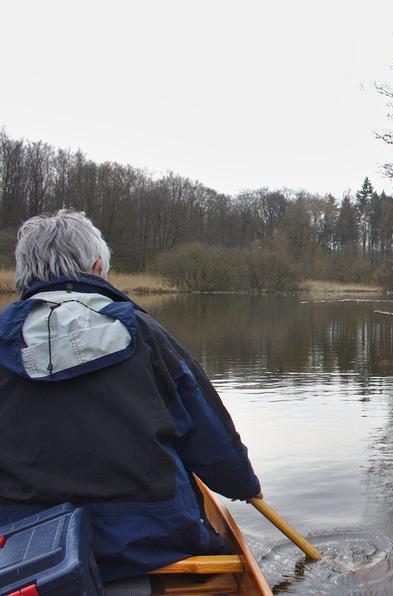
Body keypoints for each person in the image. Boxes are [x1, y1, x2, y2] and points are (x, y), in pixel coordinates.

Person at [0, 210, 261, 582]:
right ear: (95, 267)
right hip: (151, 540)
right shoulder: (144, 335)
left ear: (23, 273)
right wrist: (243, 485)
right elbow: (209, 433)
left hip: (23, 548)